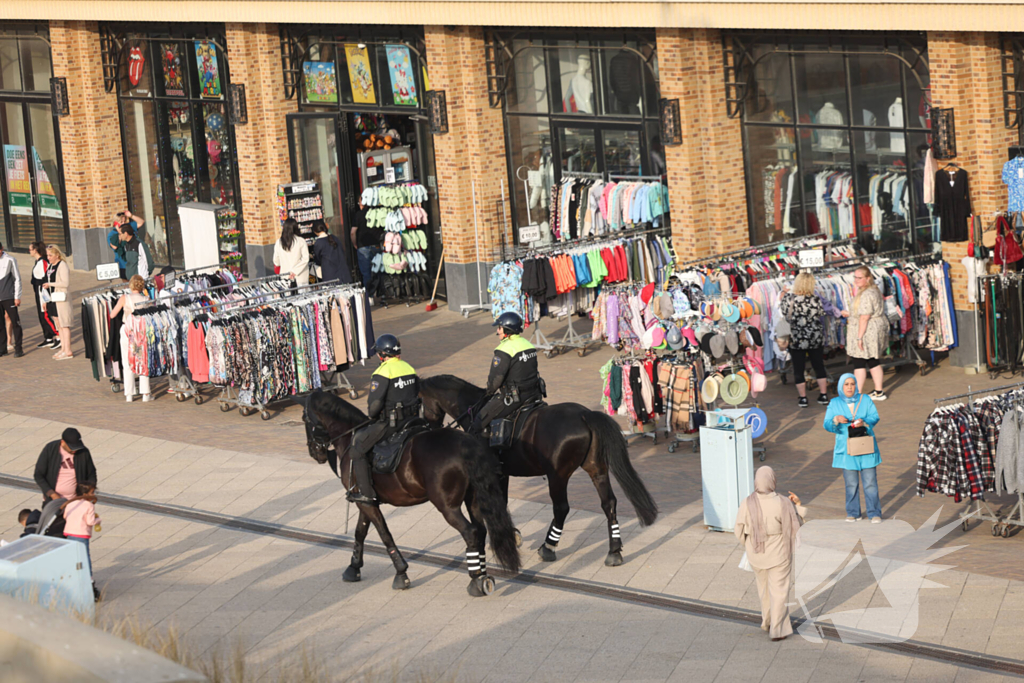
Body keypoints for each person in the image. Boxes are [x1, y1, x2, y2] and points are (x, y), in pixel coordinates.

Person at [734, 466, 806, 641]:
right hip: (779, 553)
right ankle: (777, 629)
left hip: (756, 554)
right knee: (779, 592)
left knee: (763, 590)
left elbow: (738, 530)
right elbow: (797, 525)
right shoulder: (783, 502)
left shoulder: (747, 502)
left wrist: (749, 544)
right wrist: (798, 505)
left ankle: (767, 621)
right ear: (773, 480)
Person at [347, 334, 420, 504]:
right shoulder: (409, 367)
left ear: (382, 354)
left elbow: (374, 405)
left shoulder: (382, 372)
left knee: (357, 449)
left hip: (392, 424)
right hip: (413, 420)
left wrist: (372, 416)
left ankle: (367, 493)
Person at [471, 311, 544, 435]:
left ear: (507, 329)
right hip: (535, 393)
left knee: (479, 421)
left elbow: (495, 381)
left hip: (515, 398)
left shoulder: (504, 350)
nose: (497, 331)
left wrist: (488, 392)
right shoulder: (529, 345)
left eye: (499, 328)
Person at [824, 373, 882, 523]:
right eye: (846, 384)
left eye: (852, 384)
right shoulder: (835, 403)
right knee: (851, 484)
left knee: (870, 482)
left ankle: (874, 513)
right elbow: (826, 424)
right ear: (841, 386)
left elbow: (874, 417)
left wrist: (865, 422)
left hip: (866, 447)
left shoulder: (865, 399)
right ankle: (853, 512)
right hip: (847, 450)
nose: (849, 387)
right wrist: (836, 419)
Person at [33, 428, 98, 535]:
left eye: (76, 447)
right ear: (62, 442)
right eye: (72, 448)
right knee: (53, 533)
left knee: (74, 533)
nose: (74, 451)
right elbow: (38, 475)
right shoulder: (50, 449)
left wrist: (89, 492)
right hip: (54, 503)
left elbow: (91, 473)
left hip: (76, 502)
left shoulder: (83, 452)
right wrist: (52, 494)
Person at [780, 272, 829, 408]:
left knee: (798, 368)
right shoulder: (815, 299)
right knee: (818, 366)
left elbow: (784, 314)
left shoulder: (788, 298)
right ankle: (823, 395)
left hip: (796, 338)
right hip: (814, 337)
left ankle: (803, 398)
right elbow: (820, 313)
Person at [841, 265, 888, 400]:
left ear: (867, 278)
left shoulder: (867, 293)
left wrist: (859, 337)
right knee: (873, 360)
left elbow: (865, 317)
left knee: (859, 362)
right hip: (873, 328)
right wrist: (851, 314)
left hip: (867, 331)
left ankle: (857, 394)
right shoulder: (873, 290)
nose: (856, 280)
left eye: (859, 278)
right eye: (855, 277)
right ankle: (879, 391)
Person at [109, 275, 152, 402]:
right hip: (141, 330)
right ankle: (145, 393)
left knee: (127, 361)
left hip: (127, 329)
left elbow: (112, 315)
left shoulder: (124, 298)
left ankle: (129, 393)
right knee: (142, 360)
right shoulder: (146, 299)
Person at [62, 480, 101, 601]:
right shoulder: (89, 505)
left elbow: (65, 516)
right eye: (92, 492)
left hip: (69, 533)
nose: (93, 495)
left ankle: (74, 578)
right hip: (82, 534)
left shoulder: (70, 503)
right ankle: (89, 580)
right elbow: (90, 521)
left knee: (75, 557)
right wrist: (98, 520)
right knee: (85, 557)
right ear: (85, 494)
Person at [40, 244, 73, 360]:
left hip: (61, 298)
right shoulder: (50, 266)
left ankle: (68, 350)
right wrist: (45, 300)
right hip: (52, 298)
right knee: (58, 324)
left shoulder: (62, 265)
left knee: (64, 324)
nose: (48, 257)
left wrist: (50, 284)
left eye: (50, 255)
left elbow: (65, 283)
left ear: (57, 255)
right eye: (47, 255)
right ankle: (63, 348)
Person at [28, 242, 59, 349]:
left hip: (42, 291)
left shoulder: (43, 262)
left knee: (46, 315)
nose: (29, 251)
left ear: (35, 250)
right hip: (38, 290)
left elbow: (46, 278)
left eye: (30, 249)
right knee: (41, 315)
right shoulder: (37, 262)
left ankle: (58, 336)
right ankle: (48, 337)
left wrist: (45, 296)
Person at [350, 201, 380, 290]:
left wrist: (355, 244)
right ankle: (380, 291)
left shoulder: (358, 215)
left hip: (363, 246)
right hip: (376, 244)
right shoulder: (377, 213)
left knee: (366, 273)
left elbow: (352, 232)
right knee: (379, 270)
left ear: (361, 203)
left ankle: (370, 293)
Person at [0, 240, 23, 358]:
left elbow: (17, 278)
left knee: (15, 322)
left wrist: (17, 296)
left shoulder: (10, 260)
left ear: (2, 249)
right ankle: (2, 349)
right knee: (0, 325)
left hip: (9, 297)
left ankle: (19, 348)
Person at [312, 219, 352, 285]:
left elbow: (318, 259)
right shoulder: (334, 238)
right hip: (343, 274)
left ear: (315, 231)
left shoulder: (319, 243)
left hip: (330, 276)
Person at [274, 218, 310, 288]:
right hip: (300, 276)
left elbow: (276, 261)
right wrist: (294, 271)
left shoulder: (279, 242)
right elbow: (305, 259)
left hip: (285, 276)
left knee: (288, 294)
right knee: (302, 294)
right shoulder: (301, 241)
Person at [107, 212, 130, 281]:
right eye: (121, 222)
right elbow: (114, 246)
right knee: (126, 282)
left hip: (131, 261)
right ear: (115, 223)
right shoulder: (112, 234)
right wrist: (119, 232)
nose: (123, 223)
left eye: (124, 221)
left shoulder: (127, 231)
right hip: (122, 263)